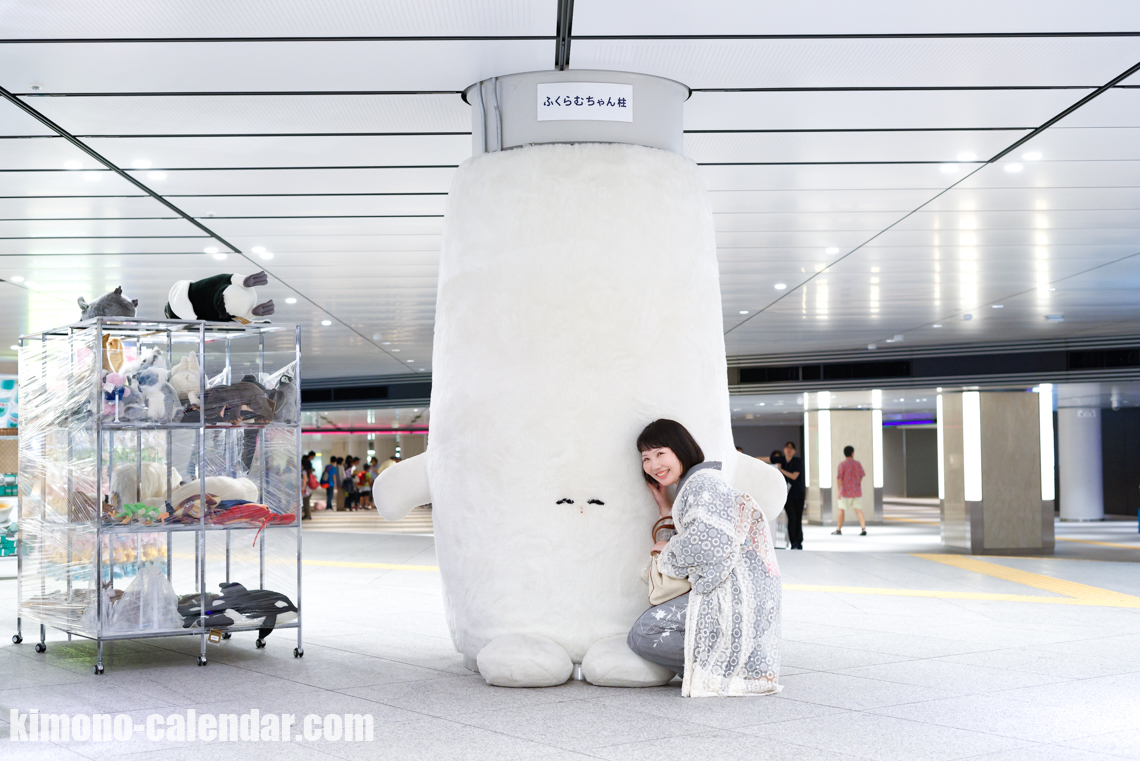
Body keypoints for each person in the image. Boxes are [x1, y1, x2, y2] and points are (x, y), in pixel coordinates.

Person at [627, 419, 781, 697]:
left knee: (643, 634)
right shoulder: (697, 483)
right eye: (646, 458)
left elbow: (710, 544)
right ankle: (738, 661)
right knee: (647, 631)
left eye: (661, 453)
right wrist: (665, 506)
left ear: (681, 449)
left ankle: (733, 667)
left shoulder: (702, 485)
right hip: (743, 592)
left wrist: (669, 550)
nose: (653, 465)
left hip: (737, 595)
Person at [762, 442, 805, 550]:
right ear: (784, 449)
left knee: (798, 518)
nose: (789, 450)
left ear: (794, 451)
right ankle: (793, 542)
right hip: (787, 495)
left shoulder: (797, 461)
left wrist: (780, 469)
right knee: (792, 518)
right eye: (787, 447)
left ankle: (798, 541)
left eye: (791, 448)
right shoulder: (780, 459)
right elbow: (765, 459)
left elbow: (794, 476)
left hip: (798, 494)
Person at [833, 445, 867, 536]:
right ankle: (863, 528)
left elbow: (839, 478)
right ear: (852, 453)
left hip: (845, 491)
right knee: (858, 509)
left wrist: (838, 490)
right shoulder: (858, 464)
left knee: (841, 509)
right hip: (856, 491)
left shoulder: (842, 465)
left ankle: (839, 529)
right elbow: (861, 476)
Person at [301, 451, 315, 520]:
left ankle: (308, 515)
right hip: (307, 489)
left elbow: (304, 481)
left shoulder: (304, 472)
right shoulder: (306, 471)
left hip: (306, 489)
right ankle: (307, 515)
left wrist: (303, 488)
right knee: (306, 502)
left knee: (306, 502)